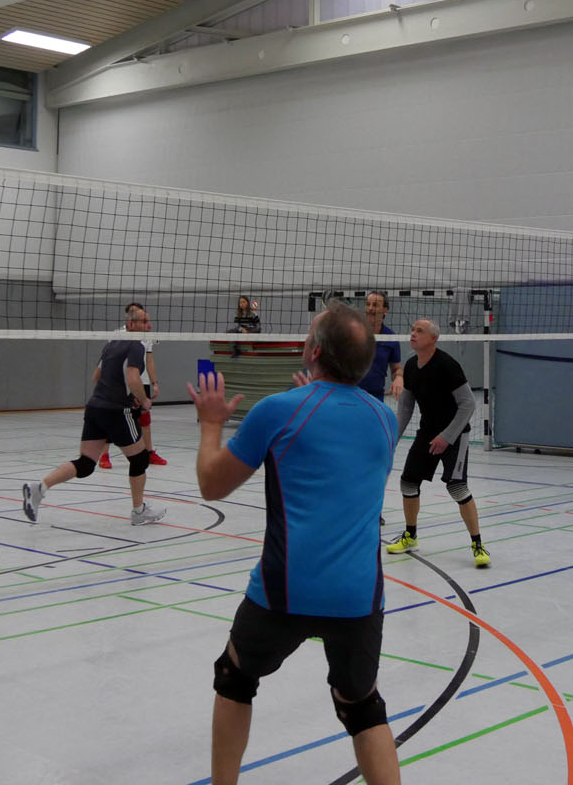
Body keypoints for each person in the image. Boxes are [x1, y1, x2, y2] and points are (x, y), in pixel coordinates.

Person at [188, 301, 401, 785]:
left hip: (285, 590)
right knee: (363, 708)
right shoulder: (385, 420)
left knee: (234, 678)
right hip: (358, 596)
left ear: (314, 351)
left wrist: (211, 424)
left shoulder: (277, 411)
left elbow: (211, 486)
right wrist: (314, 401)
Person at [22, 303, 165, 526]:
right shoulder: (135, 345)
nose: (150, 325)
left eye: (149, 320)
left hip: (95, 408)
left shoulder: (111, 344)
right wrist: (144, 400)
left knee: (86, 463)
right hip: (117, 411)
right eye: (144, 321)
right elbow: (132, 379)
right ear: (131, 324)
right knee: (140, 459)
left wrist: (125, 393)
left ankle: (40, 487)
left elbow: (96, 376)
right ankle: (139, 511)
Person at [384, 318, 490, 569]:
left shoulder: (447, 365)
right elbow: (405, 408)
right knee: (408, 482)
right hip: (427, 433)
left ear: (433, 338)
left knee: (457, 487)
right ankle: (410, 536)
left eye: (419, 331)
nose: (413, 334)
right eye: (412, 330)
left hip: (456, 434)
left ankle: (477, 544)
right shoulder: (411, 366)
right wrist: (391, 440)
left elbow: (468, 404)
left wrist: (447, 437)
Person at [101, 301, 166, 468]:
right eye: (134, 313)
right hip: (121, 383)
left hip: (141, 382)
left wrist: (154, 382)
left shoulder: (147, 335)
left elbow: (149, 360)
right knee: (113, 417)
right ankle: (104, 456)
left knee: (144, 419)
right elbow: (106, 359)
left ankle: (149, 453)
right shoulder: (117, 334)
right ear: (129, 318)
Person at [359, 292, 404, 404]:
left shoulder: (390, 337)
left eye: (375, 305)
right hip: (351, 394)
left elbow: (396, 368)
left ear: (385, 310)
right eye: (368, 304)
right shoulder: (354, 331)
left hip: (376, 396)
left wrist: (399, 377)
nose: (370, 308)